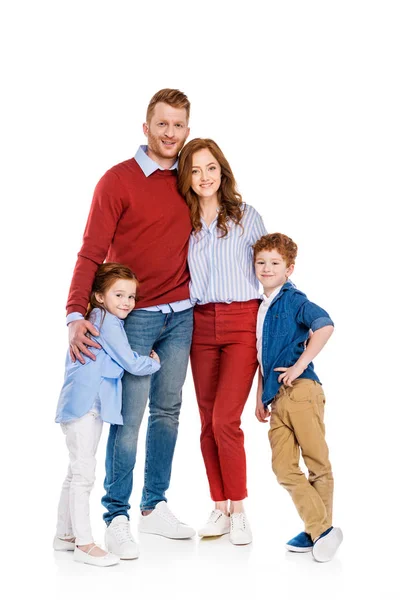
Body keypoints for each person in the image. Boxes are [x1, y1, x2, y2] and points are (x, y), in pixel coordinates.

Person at [65, 89, 196, 560]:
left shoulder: (189, 180)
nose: (170, 133)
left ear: (187, 129)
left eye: (179, 125)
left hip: (182, 315)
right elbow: (90, 252)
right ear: (146, 127)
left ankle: (153, 506)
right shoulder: (117, 181)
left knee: (169, 413)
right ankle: (115, 514)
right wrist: (76, 314)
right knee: (127, 418)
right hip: (132, 318)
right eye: (162, 124)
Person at [178, 138, 267, 545]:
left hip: (241, 321)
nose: (204, 177)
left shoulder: (247, 217)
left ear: (222, 170)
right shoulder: (184, 222)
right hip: (199, 324)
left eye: (210, 167)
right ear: (187, 177)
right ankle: (218, 506)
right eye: (195, 170)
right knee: (207, 422)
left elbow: (270, 279)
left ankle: (240, 508)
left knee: (225, 421)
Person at [54, 263, 160, 567]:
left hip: (80, 404)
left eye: (131, 296)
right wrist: (153, 361)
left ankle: (64, 536)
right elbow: (130, 362)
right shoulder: (107, 322)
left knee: (76, 472)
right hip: (86, 405)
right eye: (119, 294)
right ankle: (84, 544)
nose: (127, 302)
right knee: (84, 474)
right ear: (100, 296)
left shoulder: (96, 317)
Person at [253, 232, 343, 562]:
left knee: (317, 463)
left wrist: (300, 364)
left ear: (289, 268)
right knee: (283, 468)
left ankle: (317, 530)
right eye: (261, 262)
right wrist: (260, 395)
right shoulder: (262, 305)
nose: (266, 268)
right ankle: (322, 530)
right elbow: (264, 354)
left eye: (274, 263)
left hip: (302, 390)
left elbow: (325, 325)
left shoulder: (293, 299)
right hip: (278, 399)